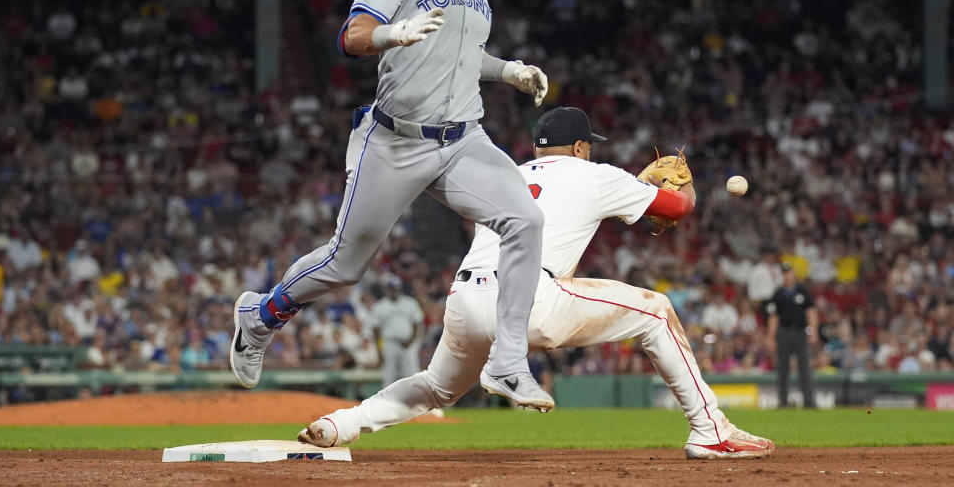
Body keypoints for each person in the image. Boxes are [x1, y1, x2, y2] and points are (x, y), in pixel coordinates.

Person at [230, 0, 554, 410]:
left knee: (526, 220)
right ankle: (259, 315)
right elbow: (353, 36)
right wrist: (390, 33)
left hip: (462, 140)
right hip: (397, 141)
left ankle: (509, 363)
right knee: (343, 265)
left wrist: (508, 71)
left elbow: (463, 57)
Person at [298, 107, 775, 460]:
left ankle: (342, 424)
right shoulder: (594, 173)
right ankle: (710, 428)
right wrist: (685, 188)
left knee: (436, 387)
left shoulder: (507, 174)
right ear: (583, 147)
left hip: (465, 298)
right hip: (529, 300)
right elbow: (677, 209)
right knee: (655, 311)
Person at [765, 262, 818, 408]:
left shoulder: (802, 291)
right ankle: (783, 402)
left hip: (800, 332)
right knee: (782, 369)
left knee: (804, 369)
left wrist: (813, 332)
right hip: (784, 332)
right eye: (784, 273)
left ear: (793, 274)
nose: (786, 276)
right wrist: (770, 337)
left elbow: (811, 312)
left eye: (788, 273)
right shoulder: (778, 294)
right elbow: (773, 317)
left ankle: (809, 402)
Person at [371, 277, 424, 388]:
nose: (394, 291)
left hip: (408, 343)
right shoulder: (379, 306)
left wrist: (412, 341)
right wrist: (379, 349)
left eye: (396, 289)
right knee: (389, 375)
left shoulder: (410, 303)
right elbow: (376, 330)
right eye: (391, 289)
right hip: (390, 343)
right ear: (386, 289)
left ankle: (414, 400)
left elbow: (417, 324)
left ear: (399, 289)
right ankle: (387, 403)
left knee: (412, 374)